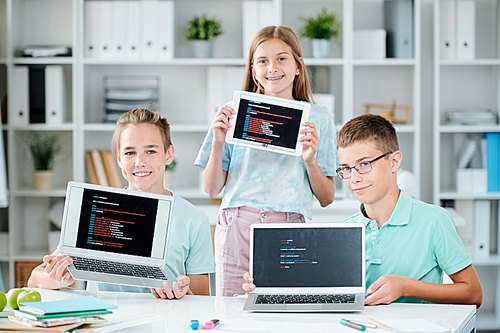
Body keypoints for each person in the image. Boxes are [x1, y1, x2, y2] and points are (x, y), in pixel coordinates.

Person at [243, 113, 483, 307]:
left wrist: (406, 286)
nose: (353, 178)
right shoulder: (346, 230)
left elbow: (473, 293)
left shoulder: (434, 221)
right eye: (346, 168)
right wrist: (269, 285)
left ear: (394, 161)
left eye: (364, 165)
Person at [194, 26, 337, 297]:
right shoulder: (233, 113)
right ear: (253, 69)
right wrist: (217, 142)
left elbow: (327, 197)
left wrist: (309, 160)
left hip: (289, 227)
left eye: (282, 58)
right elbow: (211, 190)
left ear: (298, 65)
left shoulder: (318, 119)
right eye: (263, 61)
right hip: (237, 226)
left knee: (284, 316)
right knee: (232, 316)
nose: (272, 67)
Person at [28, 108, 215, 299]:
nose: (140, 162)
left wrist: (184, 293)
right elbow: (35, 279)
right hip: (107, 320)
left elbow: (202, 298)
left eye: (151, 151)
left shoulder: (194, 220)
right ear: (118, 158)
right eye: (130, 152)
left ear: (168, 154)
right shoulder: (95, 208)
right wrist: (58, 278)